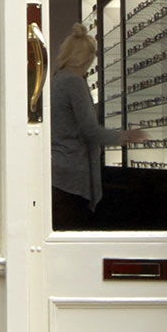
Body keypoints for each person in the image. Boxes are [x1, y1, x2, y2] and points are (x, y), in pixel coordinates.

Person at [49, 23, 145, 230]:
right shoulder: (74, 83)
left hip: (58, 171)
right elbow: (89, 129)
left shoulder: (57, 80)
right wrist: (123, 136)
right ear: (88, 58)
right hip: (73, 174)